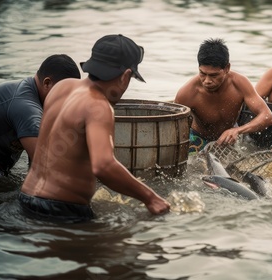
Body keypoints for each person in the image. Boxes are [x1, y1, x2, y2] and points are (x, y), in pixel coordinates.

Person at [19, 34, 170, 223]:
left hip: (26, 198)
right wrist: (151, 198)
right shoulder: (98, 106)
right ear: (125, 76)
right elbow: (103, 165)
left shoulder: (62, 87)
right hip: (62, 211)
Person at [0, 54, 81, 180]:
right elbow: (48, 166)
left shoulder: (31, 94)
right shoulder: (27, 109)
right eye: (65, 94)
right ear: (47, 83)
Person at [174, 38, 272, 154]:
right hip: (199, 139)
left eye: (214, 75)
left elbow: (267, 116)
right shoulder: (187, 93)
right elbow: (174, 128)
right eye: (202, 73)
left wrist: (237, 131)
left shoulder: (240, 83)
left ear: (227, 68)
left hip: (230, 138)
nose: (207, 81)